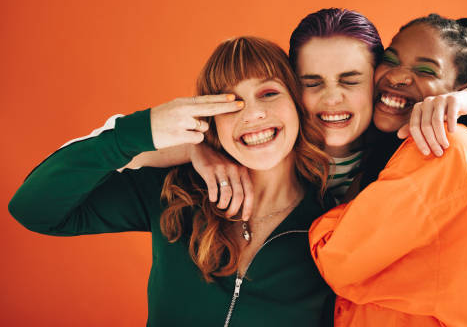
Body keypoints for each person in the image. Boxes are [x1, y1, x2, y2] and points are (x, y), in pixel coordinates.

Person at [9, 37, 334, 327]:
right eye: (230, 103)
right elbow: (33, 207)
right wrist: (151, 133)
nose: (252, 114)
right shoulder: (177, 193)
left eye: (269, 93)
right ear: (212, 123)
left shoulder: (331, 228)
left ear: (296, 103)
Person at [128, 8, 467, 211]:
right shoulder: (268, 143)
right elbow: (117, 148)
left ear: (372, 79)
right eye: (311, 83)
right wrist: (200, 149)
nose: (332, 99)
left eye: (350, 81)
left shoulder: (408, 138)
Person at [309, 14, 467, 326]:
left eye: (425, 70)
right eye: (391, 59)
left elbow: (338, 260)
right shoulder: (373, 133)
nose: (398, 76)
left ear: (456, 89)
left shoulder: (439, 146)